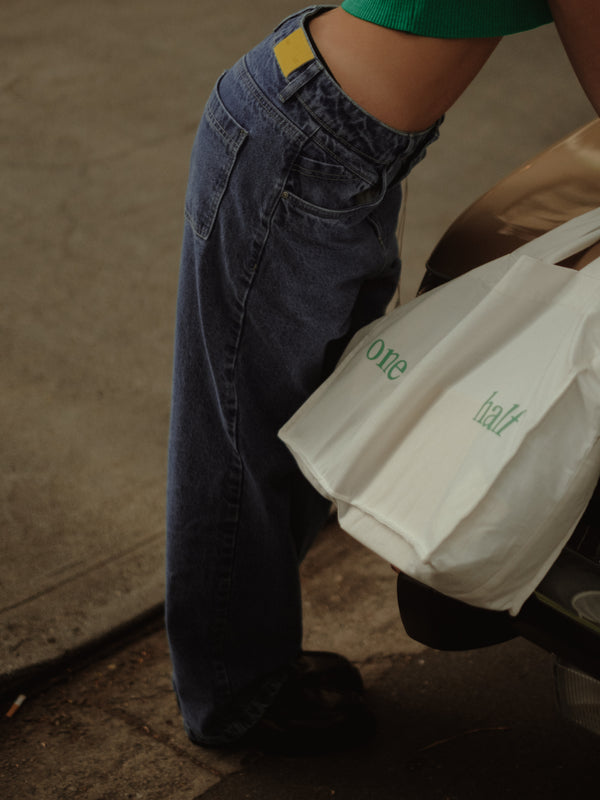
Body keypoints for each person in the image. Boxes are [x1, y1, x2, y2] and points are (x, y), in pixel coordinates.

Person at [166, 1, 599, 756]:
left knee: (314, 420)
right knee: (242, 450)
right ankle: (235, 697)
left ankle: (250, 666)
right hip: (304, 145)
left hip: (337, 149)